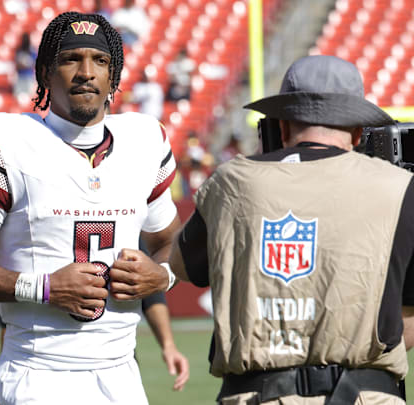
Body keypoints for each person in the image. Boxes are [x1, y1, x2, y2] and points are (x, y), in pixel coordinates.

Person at [0, 11, 179, 404]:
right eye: (70, 59)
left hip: (122, 374)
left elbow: (169, 242)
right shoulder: (11, 142)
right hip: (38, 372)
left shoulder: (145, 141)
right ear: (45, 73)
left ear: (114, 76)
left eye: (100, 61)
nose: (86, 72)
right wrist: (43, 288)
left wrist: (161, 276)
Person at [167, 55, 413, 404]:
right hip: (365, 395)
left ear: (280, 128)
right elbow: (404, 326)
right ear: (359, 132)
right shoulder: (401, 187)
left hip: (258, 395)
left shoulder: (229, 181)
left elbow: (181, 266)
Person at [0, 293, 191, 404]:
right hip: (44, 368)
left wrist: (168, 345)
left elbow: (151, 287)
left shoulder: (124, 220)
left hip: (112, 366)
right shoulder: (35, 233)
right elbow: (12, 322)